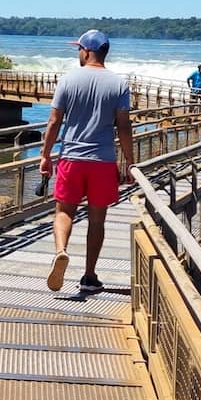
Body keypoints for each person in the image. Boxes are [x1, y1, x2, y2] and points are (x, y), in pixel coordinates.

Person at [39, 29, 135, 293]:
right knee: (97, 219)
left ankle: (61, 251)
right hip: (103, 160)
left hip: (72, 157)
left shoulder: (68, 79)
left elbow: (54, 121)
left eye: (79, 48)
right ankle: (90, 276)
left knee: (63, 212)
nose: (78, 52)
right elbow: (124, 126)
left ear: (86, 51)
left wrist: (45, 155)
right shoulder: (119, 84)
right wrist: (129, 161)